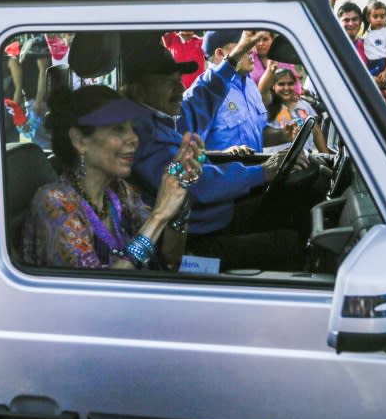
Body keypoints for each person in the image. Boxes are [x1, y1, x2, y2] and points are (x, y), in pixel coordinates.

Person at [121, 39, 306, 270]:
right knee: (289, 244)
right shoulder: (142, 135)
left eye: (179, 81)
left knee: (289, 207)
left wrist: (234, 57)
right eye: (169, 83)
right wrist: (261, 172)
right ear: (139, 91)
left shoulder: (163, 119)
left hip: (213, 217)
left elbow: (203, 96)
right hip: (193, 241)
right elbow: (197, 185)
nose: (180, 89)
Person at [22, 85, 202, 270]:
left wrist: (178, 198)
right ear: (80, 141)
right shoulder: (54, 203)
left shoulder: (120, 192)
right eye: (118, 129)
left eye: (133, 128)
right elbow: (97, 293)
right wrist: (158, 216)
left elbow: (170, 259)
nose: (134, 138)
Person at [180, 29, 296, 154]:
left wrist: (281, 135)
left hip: (256, 172)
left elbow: (258, 132)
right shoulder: (204, 93)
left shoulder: (249, 84)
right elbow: (186, 154)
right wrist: (224, 155)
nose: (252, 50)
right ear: (220, 53)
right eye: (244, 45)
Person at [260, 68, 329, 154]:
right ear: (273, 86)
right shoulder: (268, 105)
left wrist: (327, 157)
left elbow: (316, 132)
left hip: (304, 160)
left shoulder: (303, 105)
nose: (286, 88)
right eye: (281, 84)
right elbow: (263, 90)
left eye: (290, 84)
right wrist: (270, 69)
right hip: (277, 161)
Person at [247, 31, 300, 96]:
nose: (260, 44)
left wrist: (297, 94)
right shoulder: (248, 58)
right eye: (257, 40)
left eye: (265, 39)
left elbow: (295, 83)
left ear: (273, 40)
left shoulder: (283, 57)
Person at [361, 1, 386, 87]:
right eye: (375, 16)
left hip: (381, 63)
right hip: (369, 63)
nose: (379, 19)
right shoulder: (367, 33)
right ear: (368, 18)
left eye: (382, 16)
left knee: (365, 80)